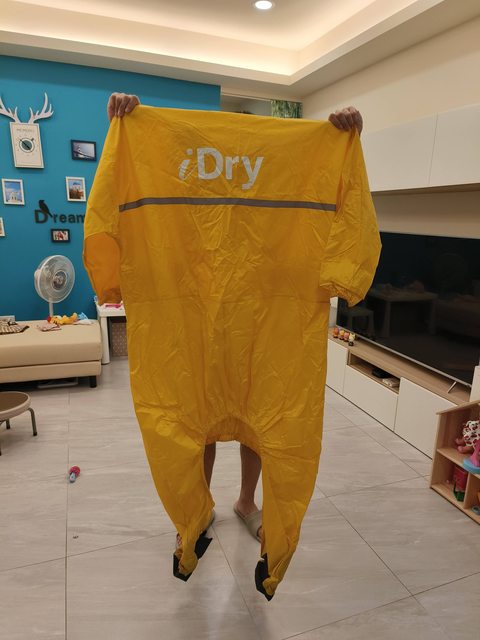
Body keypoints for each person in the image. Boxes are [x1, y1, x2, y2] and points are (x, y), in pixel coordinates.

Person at [106, 92, 364, 542]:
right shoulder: (171, 152)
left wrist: (343, 136)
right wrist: (124, 121)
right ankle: (198, 510)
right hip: (194, 313)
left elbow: (350, 211)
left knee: (257, 412)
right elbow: (112, 205)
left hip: (266, 314)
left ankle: (246, 501)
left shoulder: (290, 157)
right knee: (198, 415)